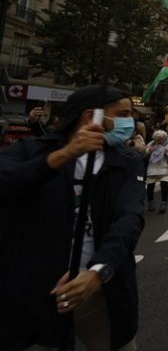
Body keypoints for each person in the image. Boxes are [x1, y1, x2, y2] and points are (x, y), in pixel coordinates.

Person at [0, 85, 145, 350]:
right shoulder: (31, 149)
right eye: (122, 114)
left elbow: (130, 218)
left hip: (99, 293)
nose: (130, 122)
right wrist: (62, 157)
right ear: (91, 117)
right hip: (34, 293)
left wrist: (97, 272)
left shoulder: (128, 161)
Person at [145, 130, 168, 214]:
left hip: (164, 168)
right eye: (157, 139)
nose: (158, 141)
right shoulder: (152, 144)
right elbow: (144, 153)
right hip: (152, 168)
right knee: (150, 186)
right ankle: (150, 202)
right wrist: (149, 151)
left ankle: (164, 203)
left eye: (160, 139)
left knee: (164, 185)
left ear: (164, 138)